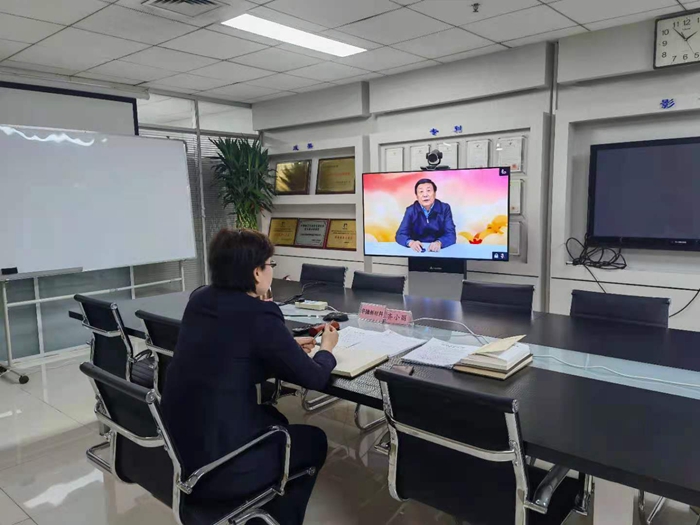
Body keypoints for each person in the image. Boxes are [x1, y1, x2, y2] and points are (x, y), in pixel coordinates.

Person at [161, 228, 338, 525]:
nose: (271, 271)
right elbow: (315, 378)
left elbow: (226, 353)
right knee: (314, 440)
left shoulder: (200, 299)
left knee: (274, 417)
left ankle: (264, 499)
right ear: (257, 272)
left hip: (179, 449)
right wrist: (327, 349)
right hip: (221, 467)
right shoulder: (260, 314)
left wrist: (284, 347)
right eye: (270, 265)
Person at [395, 178, 457, 252]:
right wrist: (411, 243)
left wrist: (440, 242)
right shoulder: (411, 210)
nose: (425, 195)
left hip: (440, 251)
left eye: (428, 190)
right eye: (421, 192)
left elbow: (451, 234)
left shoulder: (444, 208)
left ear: (435, 193)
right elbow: (400, 234)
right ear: (417, 196)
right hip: (418, 252)